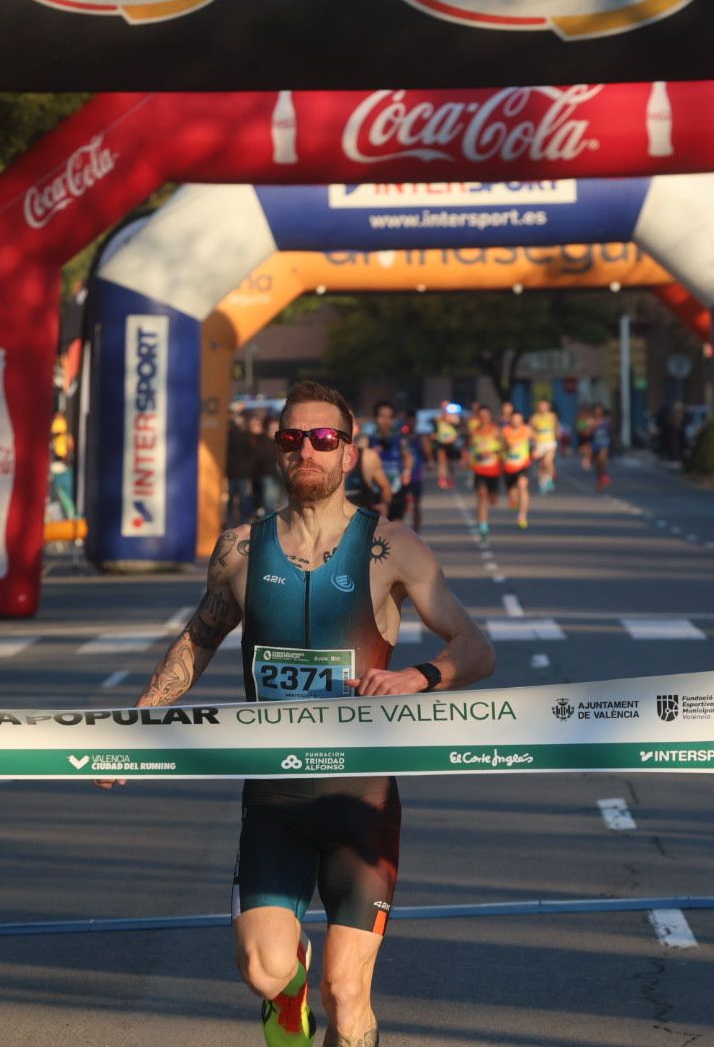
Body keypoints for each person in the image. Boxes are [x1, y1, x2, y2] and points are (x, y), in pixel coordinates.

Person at [118, 380, 495, 1047]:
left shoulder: (392, 547)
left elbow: (475, 647)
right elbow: (198, 640)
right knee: (265, 970)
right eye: (292, 438)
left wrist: (417, 676)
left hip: (361, 799)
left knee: (347, 995)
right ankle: (288, 1000)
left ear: (349, 453)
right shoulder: (240, 549)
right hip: (275, 797)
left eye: (323, 438)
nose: (307, 451)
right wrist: (138, 724)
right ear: (278, 450)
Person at [467, 412, 504, 539]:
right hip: (479, 469)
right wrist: (469, 458)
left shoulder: (496, 430)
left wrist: (493, 453)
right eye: (481, 416)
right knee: (482, 495)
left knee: (493, 500)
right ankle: (483, 526)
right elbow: (469, 448)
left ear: (490, 417)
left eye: (486, 416)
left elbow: (504, 447)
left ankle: (483, 514)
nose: (484, 418)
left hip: (493, 470)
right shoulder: (474, 431)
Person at [501, 409, 533, 529]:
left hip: (523, 464)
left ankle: (522, 516)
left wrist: (535, 448)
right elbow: (500, 446)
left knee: (522, 486)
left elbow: (536, 439)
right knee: (512, 493)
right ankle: (512, 498)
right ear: (510, 419)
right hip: (509, 466)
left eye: (519, 419)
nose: (516, 421)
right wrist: (508, 447)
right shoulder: (505, 431)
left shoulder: (527, 430)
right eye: (514, 419)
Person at [530, 398, 559, 494]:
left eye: (544, 405)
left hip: (550, 442)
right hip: (539, 443)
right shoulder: (535, 418)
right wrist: (534, 441)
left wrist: (557, 437)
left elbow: (556, 427)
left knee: (548, 461)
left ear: (548, 407)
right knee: (542, 464)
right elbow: (531, 430)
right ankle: (542, 483)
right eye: (541, 405)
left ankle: (549, 480)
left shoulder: (552, 416)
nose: (543, 407)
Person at [430, 403, 461, 490]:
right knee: (441, 462)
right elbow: (434, 429)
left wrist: (447, 420)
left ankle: (451, 478)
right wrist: (434, 435)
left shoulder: (454, 418)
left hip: (451, 442)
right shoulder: (438, 418)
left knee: (450, 463)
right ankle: (442, 479)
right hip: (441, 442)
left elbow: (457, 427)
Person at [589, 403, 613, 491]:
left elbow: (611, 429)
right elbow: (582, 428)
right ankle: (600, 478)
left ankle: (604, 476)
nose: (598, 412)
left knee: (602, 459)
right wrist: (591, 426)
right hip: (595, 443)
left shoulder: (606, 420)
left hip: (604, 442)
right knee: (597, 463)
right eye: (596, 410)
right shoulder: (591, 420)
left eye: (599, 410)